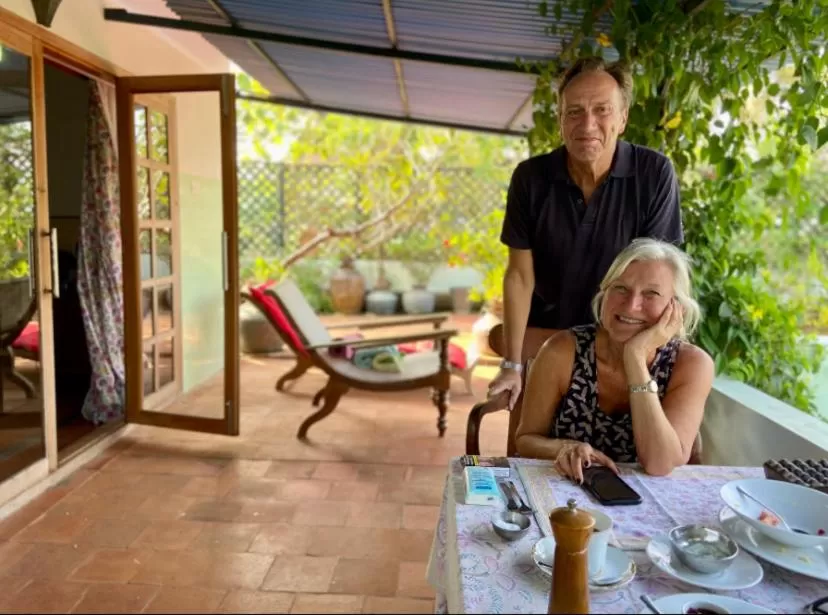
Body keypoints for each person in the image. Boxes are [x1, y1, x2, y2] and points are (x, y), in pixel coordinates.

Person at [488, 56, 684, 410]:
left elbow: (656, 281)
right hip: (549, 336)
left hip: (622, 340)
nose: (587, 124)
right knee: (500, 341)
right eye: (574, 112)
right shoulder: (531, 178)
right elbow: (519, 276)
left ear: (623, 118)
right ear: (561, 120)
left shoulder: (654, 173)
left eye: (602, 110)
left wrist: (634, 352)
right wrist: (512, 366)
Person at [514, 238, 714, 479]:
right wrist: (564, 448)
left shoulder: (692, 365)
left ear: (677, 309)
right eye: (620, 288)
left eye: (651, 294)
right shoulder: (561, 351)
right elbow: (526, 439)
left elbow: (659, 464)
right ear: (605, 293)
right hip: (566, 490)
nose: (631, 305)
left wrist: (635, 357)